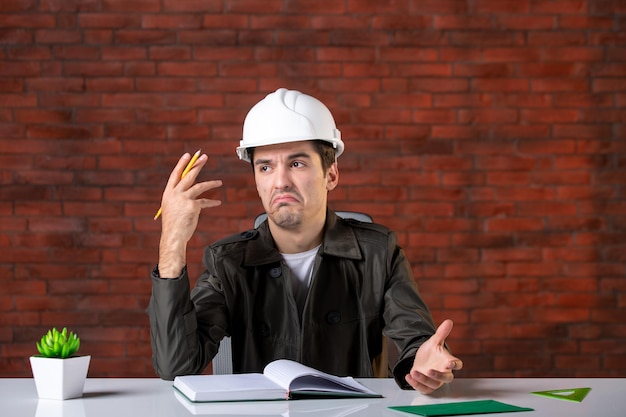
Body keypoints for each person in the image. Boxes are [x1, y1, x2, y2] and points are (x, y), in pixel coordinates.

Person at [148, 88, 462, 394]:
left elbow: (416, 341)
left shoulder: (379, 253)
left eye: (297, 164)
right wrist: (172, 243)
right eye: (266, 167)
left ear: (331, 175)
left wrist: (423, 362)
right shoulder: (229, 262)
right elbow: (176, 365)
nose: (280, 181)